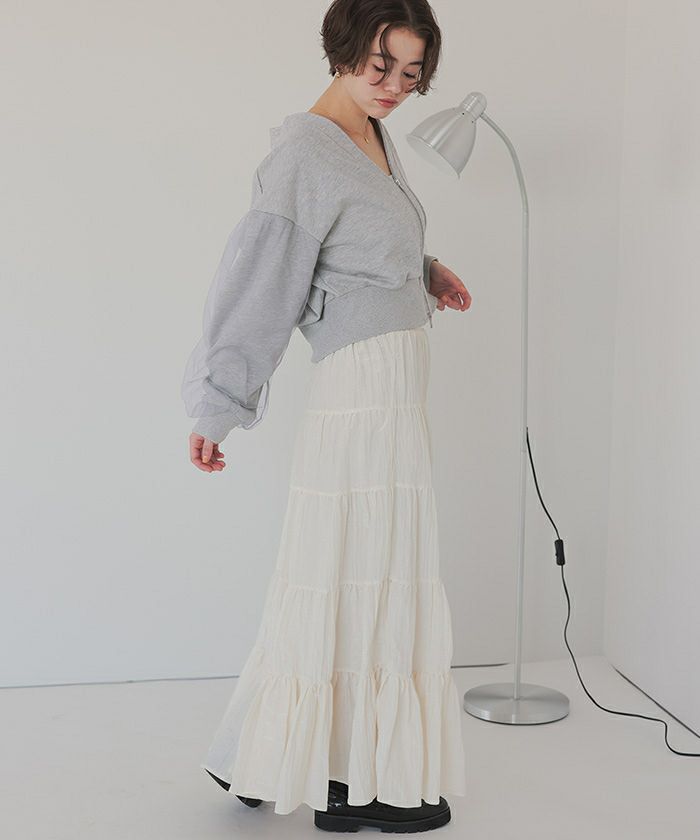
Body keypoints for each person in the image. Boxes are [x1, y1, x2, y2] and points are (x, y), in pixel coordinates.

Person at [181, 0, 472, 832]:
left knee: (345, 566)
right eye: (381, 66)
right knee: (360, 568)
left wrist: (421, 270)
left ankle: (267, 753)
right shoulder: (305, 152)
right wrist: (219, 404)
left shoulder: (370, 135)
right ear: (343, 49)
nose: (395, 86)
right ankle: (350, 780)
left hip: (391, 387)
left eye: (411, 73)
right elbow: (260, 282)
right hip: (362, 392)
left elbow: (351, 246)